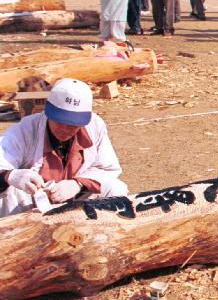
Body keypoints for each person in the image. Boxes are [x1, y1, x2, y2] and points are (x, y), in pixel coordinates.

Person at [0, 78, 127, 217]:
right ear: (48, 112)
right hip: (33, 202)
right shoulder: (25, 130)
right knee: (10, 192)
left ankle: (103, 236)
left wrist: (77, 184)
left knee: (116, 188)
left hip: (75, 198)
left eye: (73, 124)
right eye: (60, 121)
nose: (65, 128)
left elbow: (107, 168)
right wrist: (10, 176)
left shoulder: (94, 126)